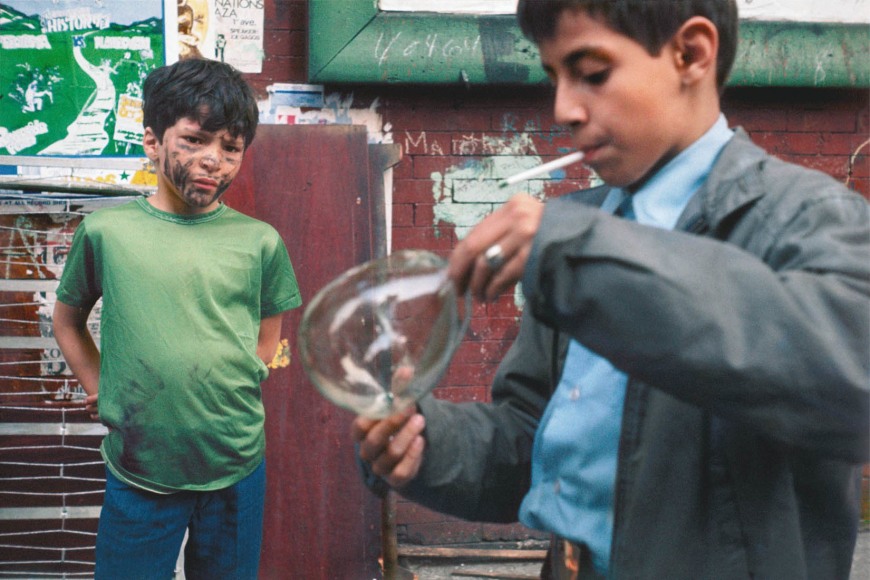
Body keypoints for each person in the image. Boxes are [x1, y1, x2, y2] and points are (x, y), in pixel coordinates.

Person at [352, 1, 870, 578]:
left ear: (691, 54)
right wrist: (430, 445)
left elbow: (848, 384)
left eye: (593, 74)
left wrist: (580, 252)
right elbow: (538, 443)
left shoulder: (810, 217)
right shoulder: (577, 233)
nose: (563, 109)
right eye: (555, 77)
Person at [53, 58, 301, 579]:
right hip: (140, 465)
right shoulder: (107, 233)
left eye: (230, 148)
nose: (213, 160)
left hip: (235, 462)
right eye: (194, 139)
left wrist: (236, 377)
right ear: (153, 141)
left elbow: (268, 333)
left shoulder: (259, 242)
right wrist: (100, 385)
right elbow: (68, 320)